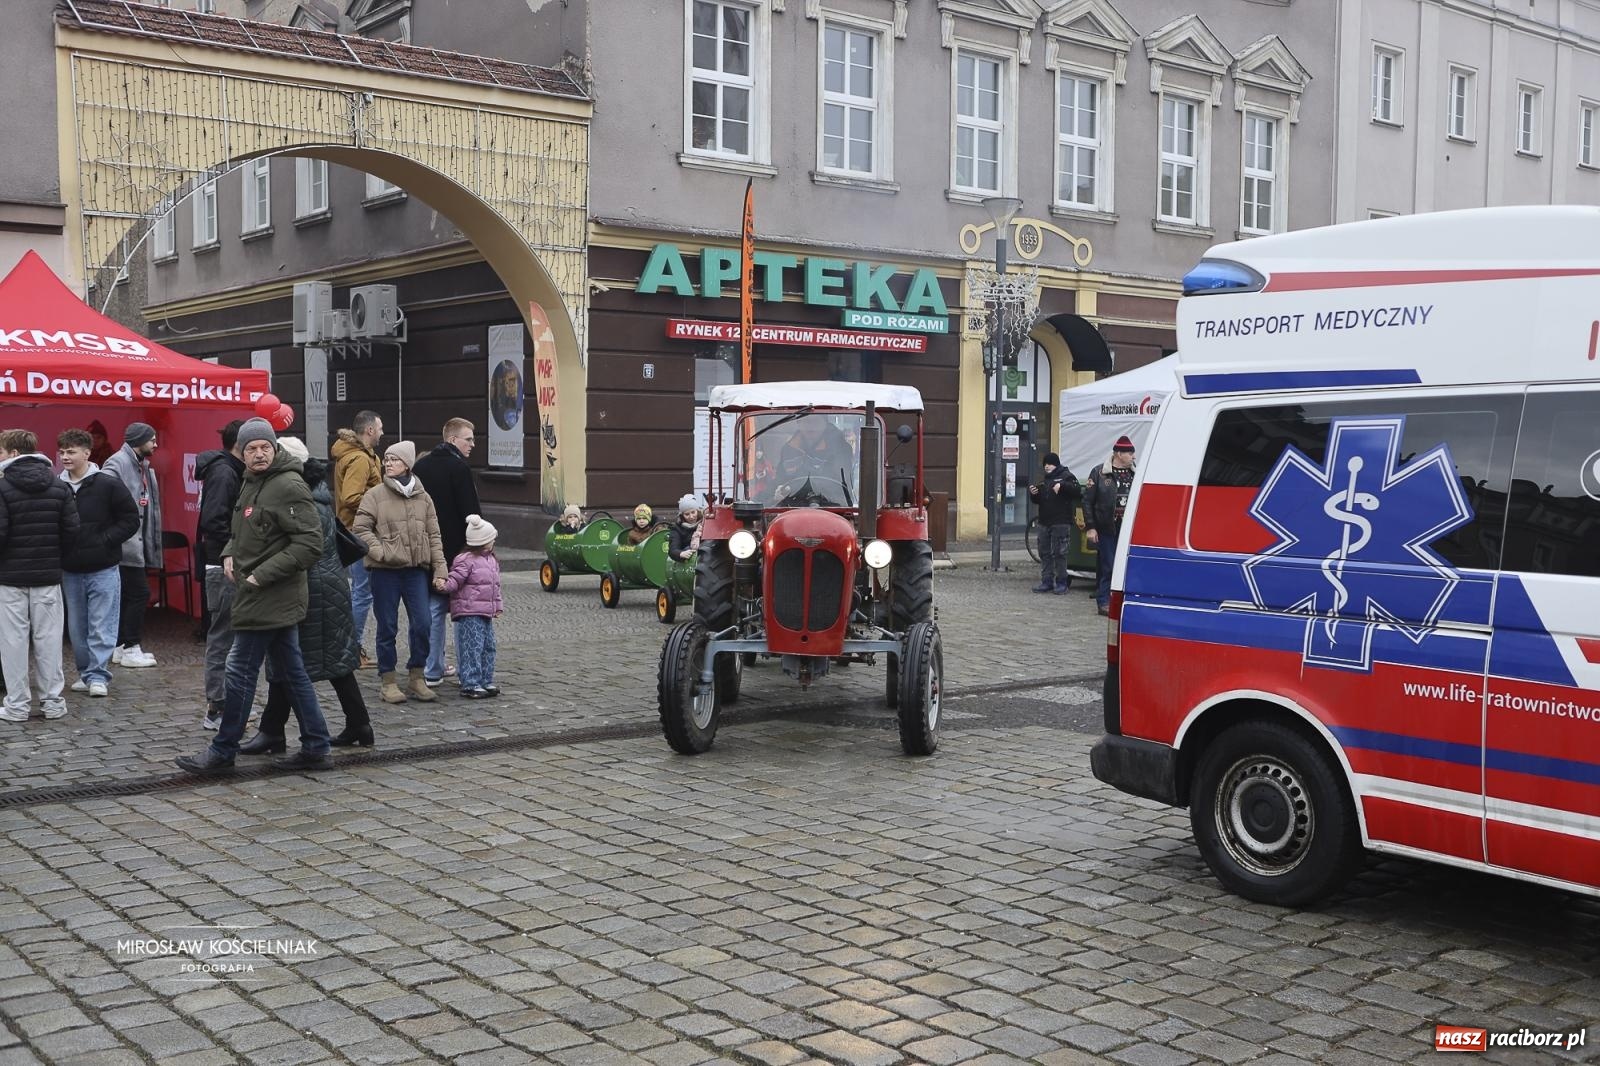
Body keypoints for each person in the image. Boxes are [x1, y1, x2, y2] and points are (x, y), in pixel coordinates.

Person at [175, 418, 333, 774]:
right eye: (251, 449)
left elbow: (310, 544)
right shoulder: (252, 482)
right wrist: (229, 551)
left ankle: (223, 749)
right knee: (292, 674)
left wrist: (262, 574)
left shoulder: (288, 485)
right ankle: (317, 744)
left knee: (240, 670)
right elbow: (242, 527)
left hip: (269, 595)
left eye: (264, 447)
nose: (258, 454)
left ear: (274, 448)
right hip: (256, 592)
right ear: (242, 453)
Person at [237, 438, 374, 752]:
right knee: (333, 660)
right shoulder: (317, 493)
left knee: (289, 660)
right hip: (331, 583)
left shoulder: (295, 496)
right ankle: (359, 724)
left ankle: (275, 732)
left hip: (307, 586)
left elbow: (295, 547)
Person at [353, 440, 448, 704]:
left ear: (407, 464)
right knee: (387, 626)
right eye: (386, 459)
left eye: (394, 459)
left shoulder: (423, 497)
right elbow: (360, 529)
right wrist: (380, 551)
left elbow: (434, 535)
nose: (388, 463)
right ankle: (388, 680)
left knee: (423, 623)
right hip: (384, 572)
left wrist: (440, 568)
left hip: (416, 570)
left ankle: (417, 676)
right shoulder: (375, 495)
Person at [0, 430, 80, 723]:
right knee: (48, 642)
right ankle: (53, 703)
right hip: (48, 576)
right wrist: (55, 558)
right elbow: (72, 531)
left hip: (10, 578)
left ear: (13, 454)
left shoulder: (2, 487)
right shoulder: (59, 486)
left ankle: (18, 706)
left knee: (13, 643)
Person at [58, 428, 138, 698]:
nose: (65, 457)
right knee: (77, 628)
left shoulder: (108, 484)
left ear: (86, 453)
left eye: (71, 451)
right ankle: (87, 672)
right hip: (70, 568)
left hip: (103, 566)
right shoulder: (58, 487)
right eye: (62, 452)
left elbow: (130, 519)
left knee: (102, 623)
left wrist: (106, 540)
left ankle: (98, 675)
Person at [413, 418, 480, 686]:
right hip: (455, 550)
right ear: (453, 440)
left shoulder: (421, 466)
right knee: (454, 609)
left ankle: (431, 668)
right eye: (469, 439)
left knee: (430, 609)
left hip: (424, 547)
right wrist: (476, 548)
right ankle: (456, 670)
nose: (473, 444)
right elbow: (471, 514)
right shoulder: (459, 467)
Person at [195, 420, 245, 729]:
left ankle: (228, 703)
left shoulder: (228, 470)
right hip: (221, 565)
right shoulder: (225, 472)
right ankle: (217, 707)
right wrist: (236, 548)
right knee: (222, 637)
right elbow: (214, 520)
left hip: (227, 562)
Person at [101, 422, 161, 668]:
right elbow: (106, 500)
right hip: (124, 544)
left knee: (127, 595)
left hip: (133, 541)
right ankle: (131, 646)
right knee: (139, 593)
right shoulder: (117, 463)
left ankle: (120, 646)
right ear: (139, 440)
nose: (156, 444)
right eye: (152, 439)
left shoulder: (138, 464)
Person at [332, 410, 384, 669]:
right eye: (380, 428)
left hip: (355, 530)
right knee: (362, 594)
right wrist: (381, 502)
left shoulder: (359, 455)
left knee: (361, 592)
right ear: (369, 431)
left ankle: (352, 648)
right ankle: (353, 649)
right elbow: (352, 497)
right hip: (359, 531)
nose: (382, 433)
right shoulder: (360, 459)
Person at [441, 514, 502, 700]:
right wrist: (444, 585)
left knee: (488, 647)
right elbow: (455, 580)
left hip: (485, 612)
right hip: (469, 611)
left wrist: (497, 606)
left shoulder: (491, 560)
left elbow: (495, 587)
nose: (494, 542)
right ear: (483, 541)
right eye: (491, 539)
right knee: (472, 647)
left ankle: (485, 679)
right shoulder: (465, 560)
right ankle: (470, 682)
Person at [1082, 436, 1138, 616]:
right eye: (1130, 453)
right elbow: (1087, 501)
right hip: (1107, 526)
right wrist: (1091, 527)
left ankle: (1122, 600)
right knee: (1108, 565)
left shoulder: (1135, 473)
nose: (1133, 456)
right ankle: (1103, 601)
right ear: (1119, 454)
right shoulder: (1099, 473)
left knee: (1128, 565)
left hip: (1128, 528)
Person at [1029, 452, 1081, 595]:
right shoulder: (1045, 480)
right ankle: (1046, 581)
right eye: (1045, 464)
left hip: (1061, 521)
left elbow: (1077, 491)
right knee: (1044, 552)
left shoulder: (1066, 476)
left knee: (1059, 553)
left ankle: (1062, 582)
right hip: (1044, 521)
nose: (1047, 466)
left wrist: (1062, 485)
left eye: (1050, 464)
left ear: (1056, 464)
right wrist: (1034, 494)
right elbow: (1040, 500)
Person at [777, 415, 856, 503]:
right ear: (798, 424)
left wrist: (795, 486)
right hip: (793, 506)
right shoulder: (789, 449)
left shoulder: (841, 449)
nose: (810, 426)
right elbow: (779, 478)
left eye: (815, 421)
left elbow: (843, 483)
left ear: (825, 423)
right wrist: (778, 491)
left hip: (833, 506)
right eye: (806, 421)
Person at [669, 493, 704, 561]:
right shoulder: (677, 528)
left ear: (698, 511)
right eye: (687, 514)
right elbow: (673, 549)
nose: (691, 517)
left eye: (693, 512)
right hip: (688, 559)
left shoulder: (706, 523)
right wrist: (680, 553)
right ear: (682, 515)